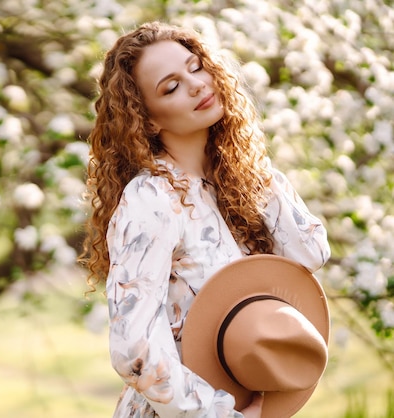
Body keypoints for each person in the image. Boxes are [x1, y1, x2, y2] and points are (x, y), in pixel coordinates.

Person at [79, 21, 331, 418]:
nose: (196, 85)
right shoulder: (153, 199)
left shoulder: (237, 179)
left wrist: (253, 169)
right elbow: (134, 348)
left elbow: (311, 253)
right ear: (146, 120)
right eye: (171, 86)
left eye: (196, 67)